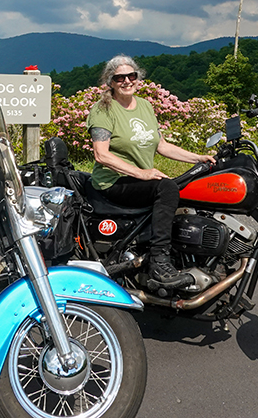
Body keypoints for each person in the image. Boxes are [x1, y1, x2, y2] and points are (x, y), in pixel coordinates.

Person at [86, 54, 215, 287]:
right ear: (110, 82)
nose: (126, 81)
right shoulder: (103, 109)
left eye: (131, 76)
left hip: (138, 181)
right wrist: (142, 173)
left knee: (188, 186)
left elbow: (161, 145)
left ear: (138, 78)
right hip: (113, 182)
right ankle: (159, 260)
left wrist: (199, 158)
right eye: (119, 77)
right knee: (166, 188)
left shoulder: (145, 106)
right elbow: (101, 155)